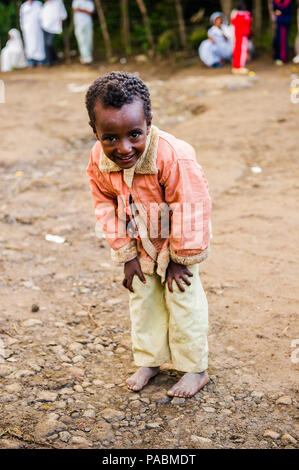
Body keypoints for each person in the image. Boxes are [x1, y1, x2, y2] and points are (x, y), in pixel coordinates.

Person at [85, 72, 212, 398]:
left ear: (149, 122)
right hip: (139, 243)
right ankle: (150, 360)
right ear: (94, 131)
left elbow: (191, 207)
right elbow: (104, 205)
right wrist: (126, 254)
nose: (123, 147)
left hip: (176, 245)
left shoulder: (173, 156)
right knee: (143, 302)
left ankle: (195, 369)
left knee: (183, 301)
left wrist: (181, 260)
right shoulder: (99, 160)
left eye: (134, 134)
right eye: (110, 137)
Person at [41, 0, 68, 66]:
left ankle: (54, 59)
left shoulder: (58, 2)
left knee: (49, 43)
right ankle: (49, 61)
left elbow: (63, 15)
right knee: (46, 45)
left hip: (54, 27)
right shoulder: (46, 4)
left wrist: (59, 23)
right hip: (45, 27)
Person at [20, 0, 45, 67]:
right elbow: (22, 18)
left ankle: (40, 61)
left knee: (39, 44)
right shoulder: (24, 6)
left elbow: (43, 16)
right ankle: (31, 61)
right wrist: (23, 28)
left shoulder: (38, 4)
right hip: (28, 29)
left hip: (37, 28)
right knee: (29, 45)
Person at [231, 1, 252, 74]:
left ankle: (236, 66)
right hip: (242, 35)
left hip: (238, 35)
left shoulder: (234, 14)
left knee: (238, 50)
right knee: (242, 51)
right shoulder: (244, 15)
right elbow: (248, 22)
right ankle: (240, 67)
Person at [72, 0, 95, 64]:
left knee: (88, 40)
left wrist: (80, 9)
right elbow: (75, 9)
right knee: (81, 40)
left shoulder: (89, 2)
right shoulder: (76, 1)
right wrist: (84, 10)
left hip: (88, 23)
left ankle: (88, 56)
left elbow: (90, 12)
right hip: (78, 24)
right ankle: (85, 57)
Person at [272, 0, 293, 65]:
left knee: (282, 41)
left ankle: (282, 58)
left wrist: (280, 12)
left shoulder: (287, 1)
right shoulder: (276, 1)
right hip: (279, 22)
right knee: (277, 40)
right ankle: (277, 57)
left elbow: (286, 10)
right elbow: (275, 10)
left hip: (284, 23)